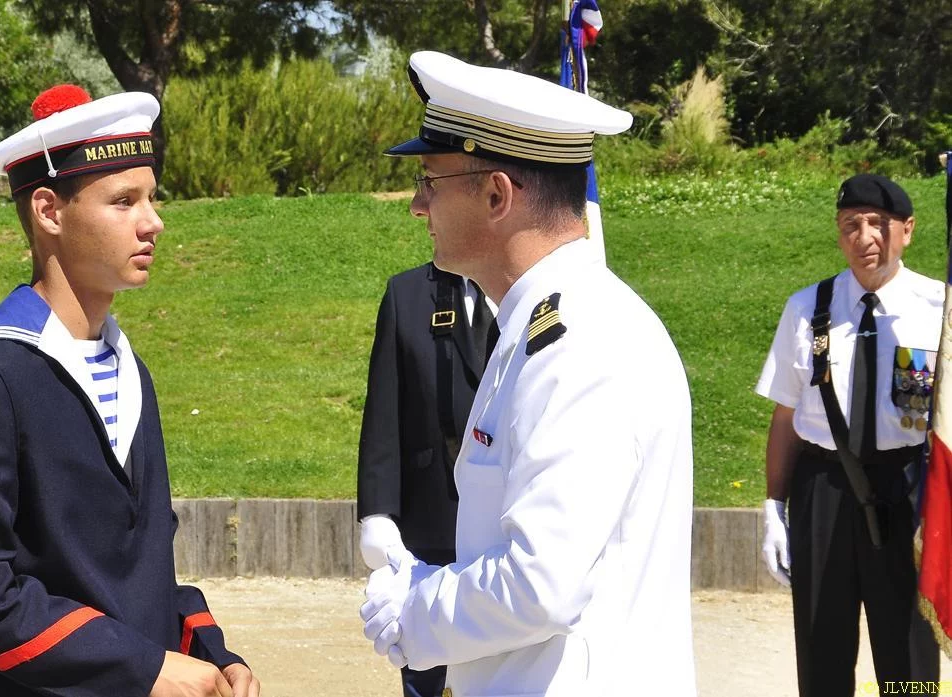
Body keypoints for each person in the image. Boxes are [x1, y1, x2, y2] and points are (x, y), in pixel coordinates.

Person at [358, 51, 696, 697]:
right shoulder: (543, 326)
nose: (416, 205)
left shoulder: (579, 342)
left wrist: (417, 606)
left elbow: (539, 586)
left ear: (495, 194)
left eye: (431, 180)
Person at [0, 85, 259, 697]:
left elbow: (138, 566)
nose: (154, 222)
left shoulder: (128, 369)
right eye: (124, 201)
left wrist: (209, 650)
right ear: (48, 211)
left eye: (152, 198)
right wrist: (141, 668)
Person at [756, 173, 941, 696]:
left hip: (906, 487)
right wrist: (774, 505)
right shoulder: (807, 309)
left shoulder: (940, 309)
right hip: (825, 488)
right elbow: (786, 416)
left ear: (906, 230)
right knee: (822, 639)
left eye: (878, 224)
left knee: (907, 645)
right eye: (850, 225)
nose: (865, 238)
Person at [358, 262, 496, 697]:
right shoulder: (409, 293)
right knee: (428, 675)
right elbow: (385, 410)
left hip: (508, 530)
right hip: (431, 528)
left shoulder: (534, 297)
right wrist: (378, 512)